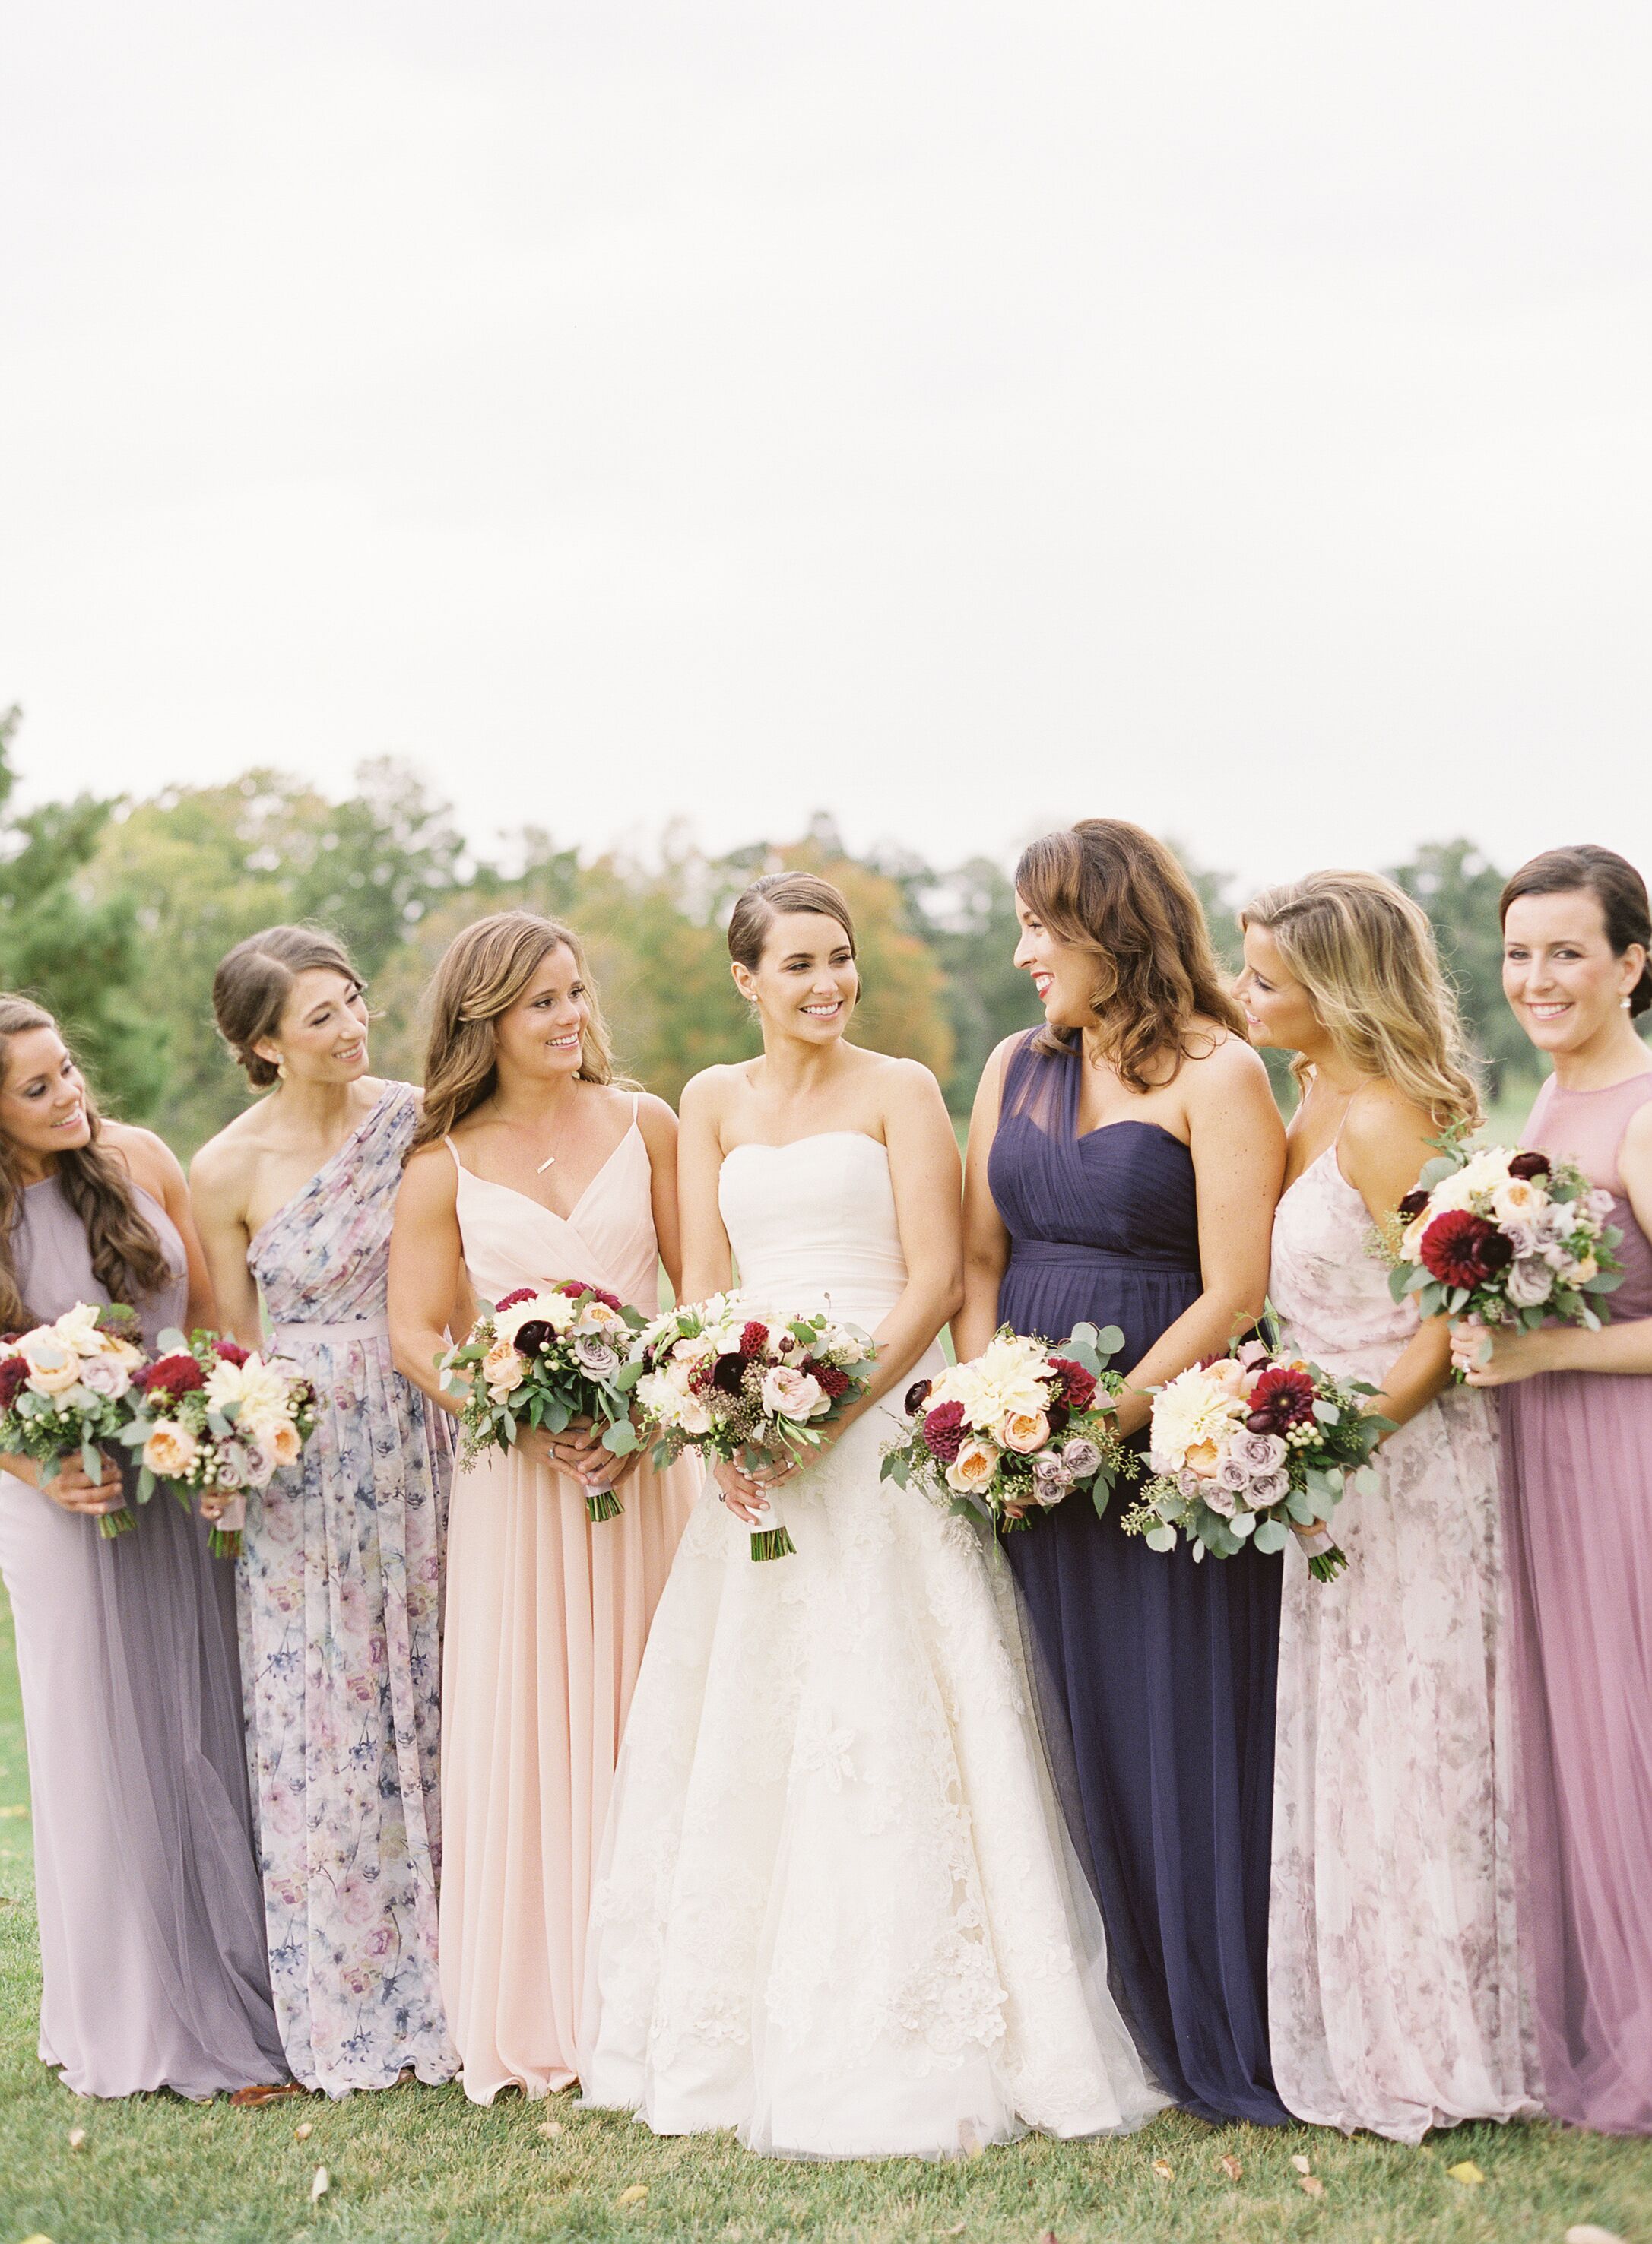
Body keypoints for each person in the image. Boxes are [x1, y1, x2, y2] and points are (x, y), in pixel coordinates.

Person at [579, 871, 1165, 2160]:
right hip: (752, 1447)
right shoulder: (710, 1100)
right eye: (796, 965)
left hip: (878, 1420)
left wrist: (829, 1413)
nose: (826, 983)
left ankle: (934, 2020)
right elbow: (698, 1284)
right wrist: (716, 1422)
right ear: (746, 980)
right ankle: (734, 2029)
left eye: (836, 959)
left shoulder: (900, 1086)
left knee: (901, 1702)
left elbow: (939, 1272)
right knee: (753, 1715)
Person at [956, 819, 1289, 2125]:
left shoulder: (1220, 1073)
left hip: (1163, 1450)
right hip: (1030, 1451)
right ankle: (1090, 2020)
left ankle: (1207, 2015)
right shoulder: (1010, 1063)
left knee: (1174, 1724)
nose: (1026, 951)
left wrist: (1110, 1423)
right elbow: (979, 1262)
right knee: (1058, 1725)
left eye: (1046, 925)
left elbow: (1236, 1288)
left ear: (1116, 928)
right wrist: (999, 1412)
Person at [1238, 870, 1535, 2141]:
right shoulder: (1315, 1096)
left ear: (1333, 993)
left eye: (1261, 978)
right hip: (1334, 1479)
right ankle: (1370, 2007)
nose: (1241, 993)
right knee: (1357, 1746)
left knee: (1421, 1743)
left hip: (1401, 1472)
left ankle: (1445, 2032)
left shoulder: (1388, 1119)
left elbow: (1440, 1321)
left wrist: (1340, 1450)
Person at [388, 911, 693, 2105]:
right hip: (519, 1484)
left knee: (651, 1701)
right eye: (541, 1003)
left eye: (575, 991)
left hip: (649, 1466)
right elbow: (415, 1333)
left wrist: (649, 1420)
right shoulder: (441, 1163)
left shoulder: (645, 1123)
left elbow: (693, 1293)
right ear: (485, 1023)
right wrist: (513, 1402)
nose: (571, 1018)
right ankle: (554, 1994)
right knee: (541, 1719)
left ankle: (674, 1980)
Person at [0, 995, 287, 2100]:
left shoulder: (139, 1155)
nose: (70, 1095)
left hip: (178, 1484)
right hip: (58, 1498)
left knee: (204, 1722)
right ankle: (136, 2022)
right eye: (37, 1089)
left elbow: (213, 1321)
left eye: (68, 1070)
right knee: (96, 1746)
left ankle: (240, 1985)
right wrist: (38, 1467)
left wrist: (230, 1439)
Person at [191, 926, 455, 2097]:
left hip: (423, 1432)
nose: (352, 1028)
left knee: (445, 1690)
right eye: (320, 1018)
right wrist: (237, 1459)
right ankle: (351, 1991)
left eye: (355, 1004)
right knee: (324, 1722)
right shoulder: (227, 1169)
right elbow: (226, 1348)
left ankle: (473, 1975)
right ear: (262, 1045)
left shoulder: (419, 1117)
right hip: (301, 1465)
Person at [1454, 844, 1652, 2135]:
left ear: (1633, 963)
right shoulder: (1538, 1108)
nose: (1537, 977)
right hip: (1546, 1463)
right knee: (1577, 1739)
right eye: (1520, 952)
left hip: (1626, 1464)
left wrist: (1548, 1348)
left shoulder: (1641, 1109)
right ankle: (1596, 2017)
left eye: (1567, 951)